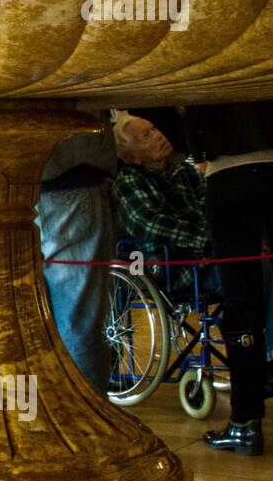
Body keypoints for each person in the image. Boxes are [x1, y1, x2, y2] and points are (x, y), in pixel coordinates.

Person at [188, 97, 273, 454]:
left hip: (232, 168)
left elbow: (195, 105)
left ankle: (246, 423)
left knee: (242, 301)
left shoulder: (214, 42)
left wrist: (195, 144)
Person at [34, 113, 116, 393]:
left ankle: (54, 418)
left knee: (28, 323)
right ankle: (87, 422)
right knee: (77, 320)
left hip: (8, 187)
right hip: (71, 180)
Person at [112, 113, 212, 296]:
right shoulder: (128, 182)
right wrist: (208, 240)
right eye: (146, 136)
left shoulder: (184, 170)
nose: (158, 135)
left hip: (209, 257)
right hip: (171, 269)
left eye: (154, 129)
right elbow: (150, 224)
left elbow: (209, 205)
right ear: (132, 157)